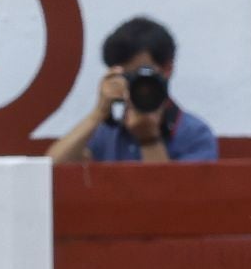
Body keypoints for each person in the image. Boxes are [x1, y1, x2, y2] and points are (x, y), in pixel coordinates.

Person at [47, 17, 217, 164]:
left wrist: (149, 140)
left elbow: (167, 199)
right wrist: (98, 113)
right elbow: (52, 170)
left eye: (142, 75)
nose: (137, 85)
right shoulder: (108, 132)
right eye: (126, 76)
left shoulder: (195, 135)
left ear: (167, 69)